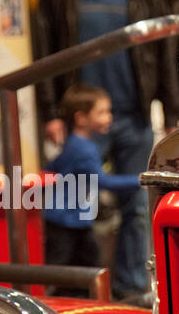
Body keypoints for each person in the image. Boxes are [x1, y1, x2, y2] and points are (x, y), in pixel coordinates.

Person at [33, 0, 179, 300]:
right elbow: (44, 52)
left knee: (137, 205)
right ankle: (73, 294)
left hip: (132, 115)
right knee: (76, 204)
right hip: (81, 119)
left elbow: (163, 53)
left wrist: (172, 111)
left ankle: (131, 290)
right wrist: (50, 112)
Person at [44, 84, 141, 297]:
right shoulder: (84, 148)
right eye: (102, 112)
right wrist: (141, 180)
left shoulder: (75, 144)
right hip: (68, 221)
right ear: (81, 118)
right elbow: (103, 181)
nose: (109, 118)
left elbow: (54, 167)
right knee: (72, 271)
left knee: (79, 270)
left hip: (71, 219)